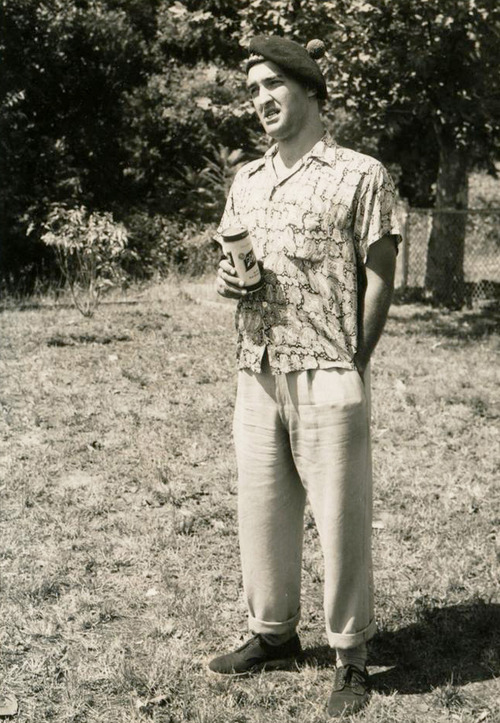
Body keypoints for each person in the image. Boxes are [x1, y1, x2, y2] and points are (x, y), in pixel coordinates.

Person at [209, 35, 401, 718]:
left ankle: (350, 655)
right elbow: (231, 262)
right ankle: (274, 634)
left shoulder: (360, 174)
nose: (260, 99)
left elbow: (381, 277)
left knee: (342, 522)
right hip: (257, 367)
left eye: (272, 85)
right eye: (252, 89)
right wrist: (228, 279)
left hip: (328, 370)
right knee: (262, 514)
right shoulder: (247, 180)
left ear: (310, 90)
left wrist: (356, 360)